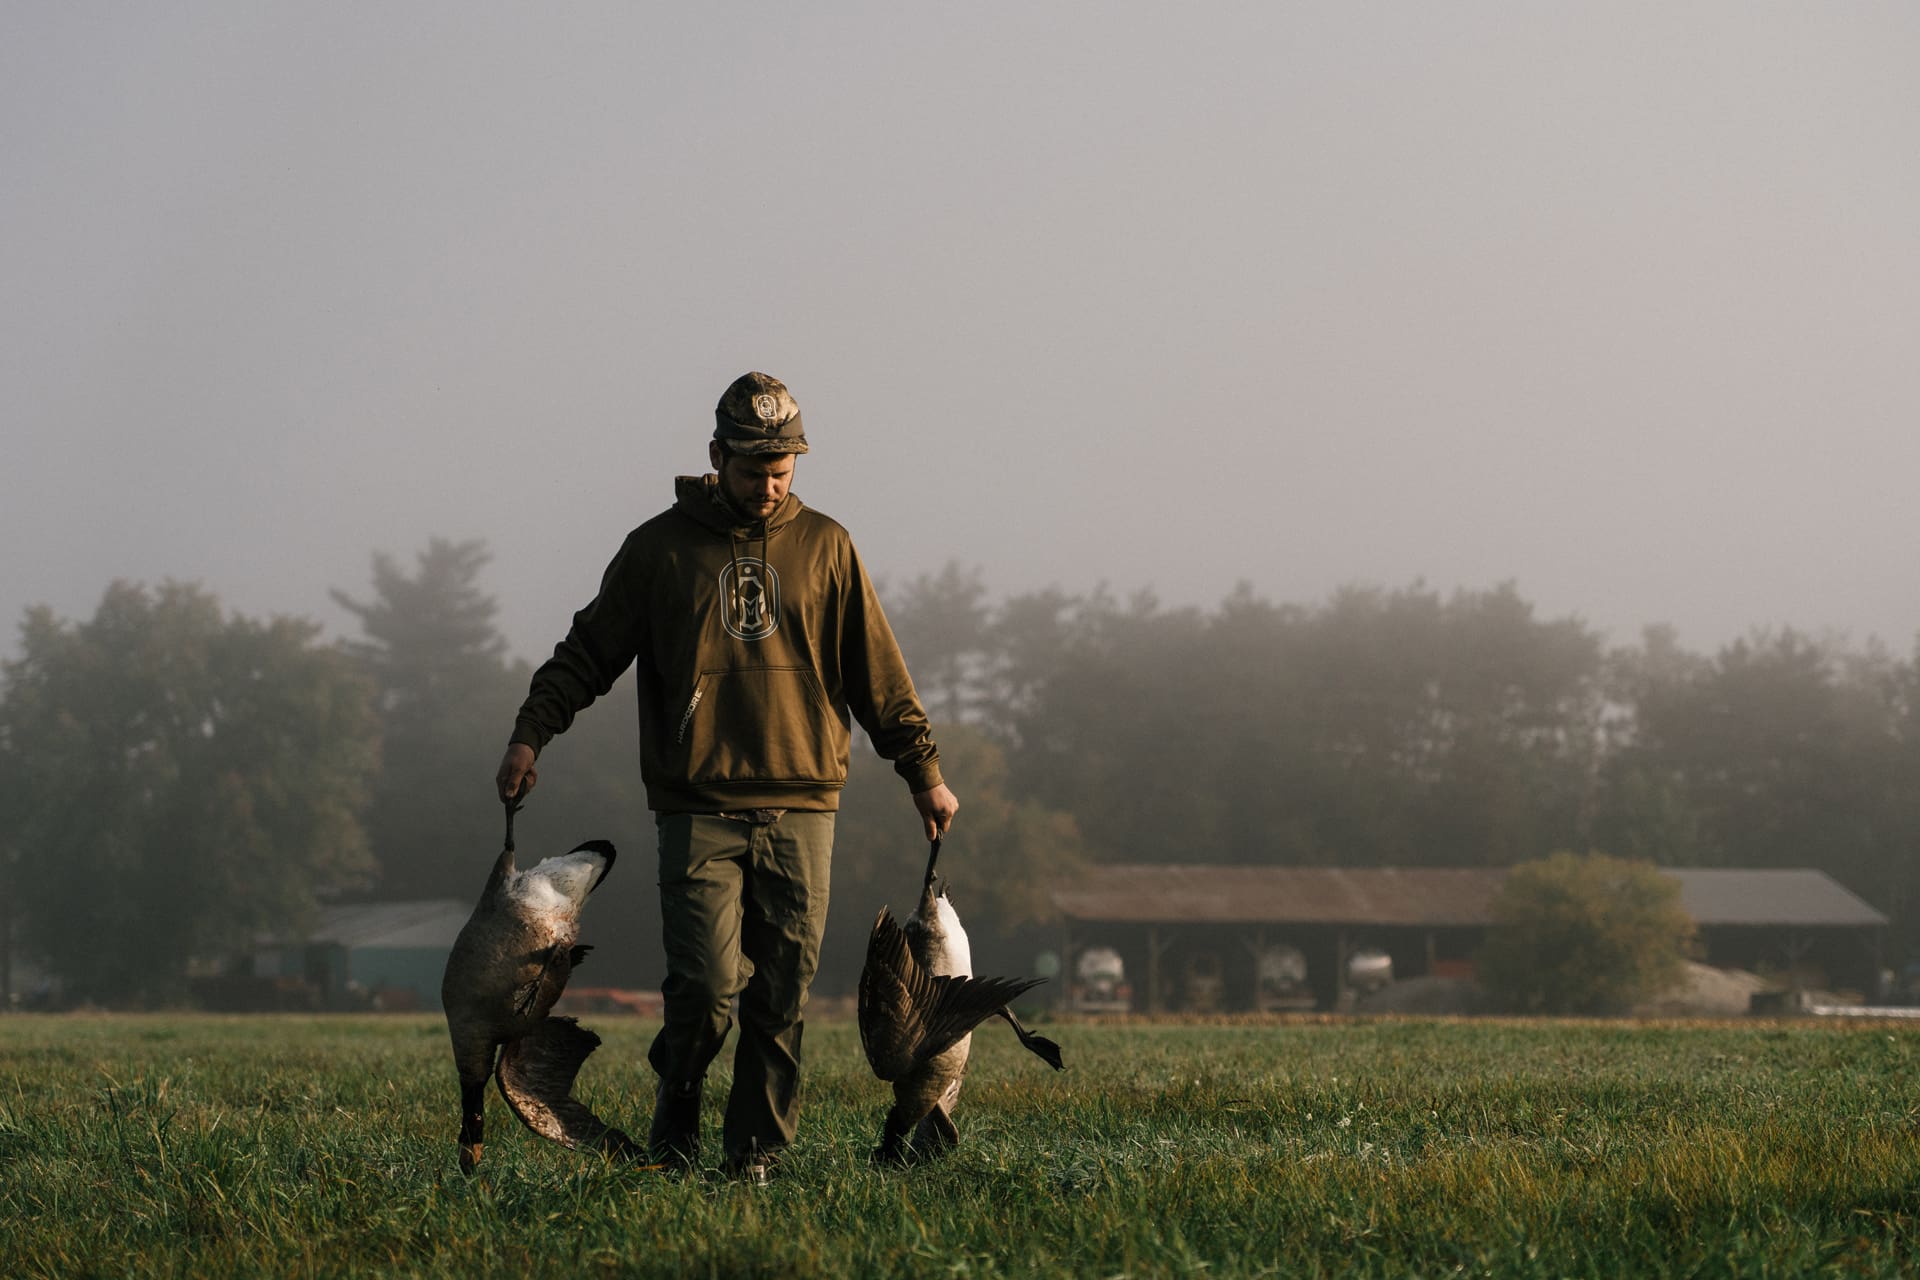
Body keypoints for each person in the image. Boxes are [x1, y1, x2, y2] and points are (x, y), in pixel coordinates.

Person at [494, 371, 959, 1177]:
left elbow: (878, 673)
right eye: (753, 471)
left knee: (780, 999)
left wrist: (924, 772)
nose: (770, 487)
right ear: (718, 455)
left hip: (805, 803)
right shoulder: (660, 550)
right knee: (706, 991)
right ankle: (675, 1124)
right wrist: (530, 734)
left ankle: (755, 1157)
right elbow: (588, 653)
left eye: (784, 472)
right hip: (698, 803)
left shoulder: (828, 547)